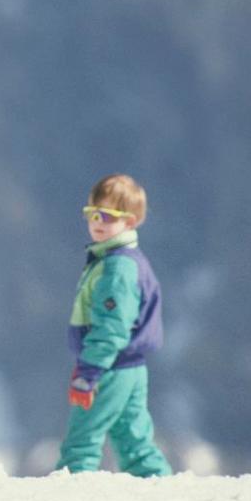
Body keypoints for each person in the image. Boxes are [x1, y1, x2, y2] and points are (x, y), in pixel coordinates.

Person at [55, 174, 172, 476]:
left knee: (82, 441)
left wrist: (89, 371)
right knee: (134, 442)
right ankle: (162, 486)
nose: (98, 221)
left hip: (111, 368)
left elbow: (112, 328)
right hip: (131, 368)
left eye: (108, 215)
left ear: (130, 222)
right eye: (92, 213)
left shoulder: (118, 267)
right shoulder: (116, 260)